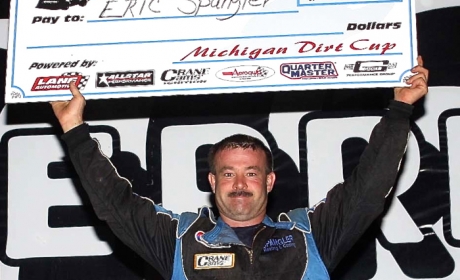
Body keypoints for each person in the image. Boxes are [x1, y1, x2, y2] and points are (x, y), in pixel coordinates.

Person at [51, 57, 429, 280]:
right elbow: (114, 204)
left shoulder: (310, 234)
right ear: (212, 181)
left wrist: (400, 110)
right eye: (228, 173)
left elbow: (367, 189)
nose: (240, 183)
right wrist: (74, 130)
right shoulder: (179, 239)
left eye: (251, 172)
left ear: (269, 180)